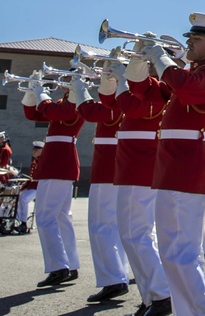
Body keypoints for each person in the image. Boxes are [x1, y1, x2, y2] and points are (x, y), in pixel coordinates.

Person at [128, 13, 205, 316]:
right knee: (172, 254)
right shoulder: (191, 73)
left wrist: (160, 57)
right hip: (172, 165)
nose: (188, 43)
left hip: (186, 166)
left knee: (181, 254)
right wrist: (137, 63)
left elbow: (182, 84)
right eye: (189, 38)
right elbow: (145, 93)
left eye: (195, 39)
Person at [112, 53, 171, 316]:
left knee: (138, 234)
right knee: (130, 235)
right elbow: (108, 101)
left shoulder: (159, 93)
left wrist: (121, 83)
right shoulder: (144, 92)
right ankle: (150, 296)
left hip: (142, 168)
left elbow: (130, 105)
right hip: (130, 167)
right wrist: (109, 78)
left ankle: (162, 294)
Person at [71, 73, 130, 304]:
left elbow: (90, 111)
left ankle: (113, 279)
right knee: (113, 226)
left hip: (109, 168)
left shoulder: (118, 105)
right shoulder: (122, 103)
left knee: (100, 225)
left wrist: (78, 87)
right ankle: (118, 275)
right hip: (113, 167)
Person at [22, 79, 84, 288]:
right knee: (60, 217)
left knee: (45, 217)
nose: (63, 81)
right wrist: (31, 92)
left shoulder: (76, 101)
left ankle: (59, 267)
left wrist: (41, 92)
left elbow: (57, 112)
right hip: (57, 161)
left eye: (68, 78)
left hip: (59, 162)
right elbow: (33, 114)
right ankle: (70, 263)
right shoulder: (62, 102)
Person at [16, 141, 44, 232]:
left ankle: (23, 224)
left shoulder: (44, 162)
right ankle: (17, 220)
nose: (33, 152)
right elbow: (32, 177)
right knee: (17, 195)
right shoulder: (34, 162)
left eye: (36, 150)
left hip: (39, 188)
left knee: (24, 198)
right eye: (33, 149)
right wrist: (24, 185)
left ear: (41, 151)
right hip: (32, 186)